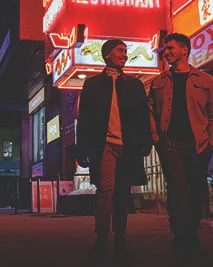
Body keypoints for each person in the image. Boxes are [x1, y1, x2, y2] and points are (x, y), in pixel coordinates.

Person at [76, 39, 152, 264]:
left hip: (127, 147)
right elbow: (85, 120)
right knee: (105, 192)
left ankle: (120, 239)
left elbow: (142, 117)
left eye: (126, 51)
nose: (125, 55)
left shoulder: (134, 84)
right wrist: (83, 149)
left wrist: (145, 142)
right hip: (104, 145)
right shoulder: (92, 84)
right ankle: (101, 238)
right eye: (120, 50)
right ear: (107, 54)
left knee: (122, 194)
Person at [148, 33, 213, 261]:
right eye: (164, 50)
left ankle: (190, 234)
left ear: (184, 50)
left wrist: (212, 143)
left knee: (197, 190)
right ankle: (180, 236)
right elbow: (150, 113)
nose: (166, 52)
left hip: (199, 145)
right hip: (170, 145)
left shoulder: (205, 79)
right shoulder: (158, 82)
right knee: (177, 190)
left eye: (170, 48)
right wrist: (157, 139)